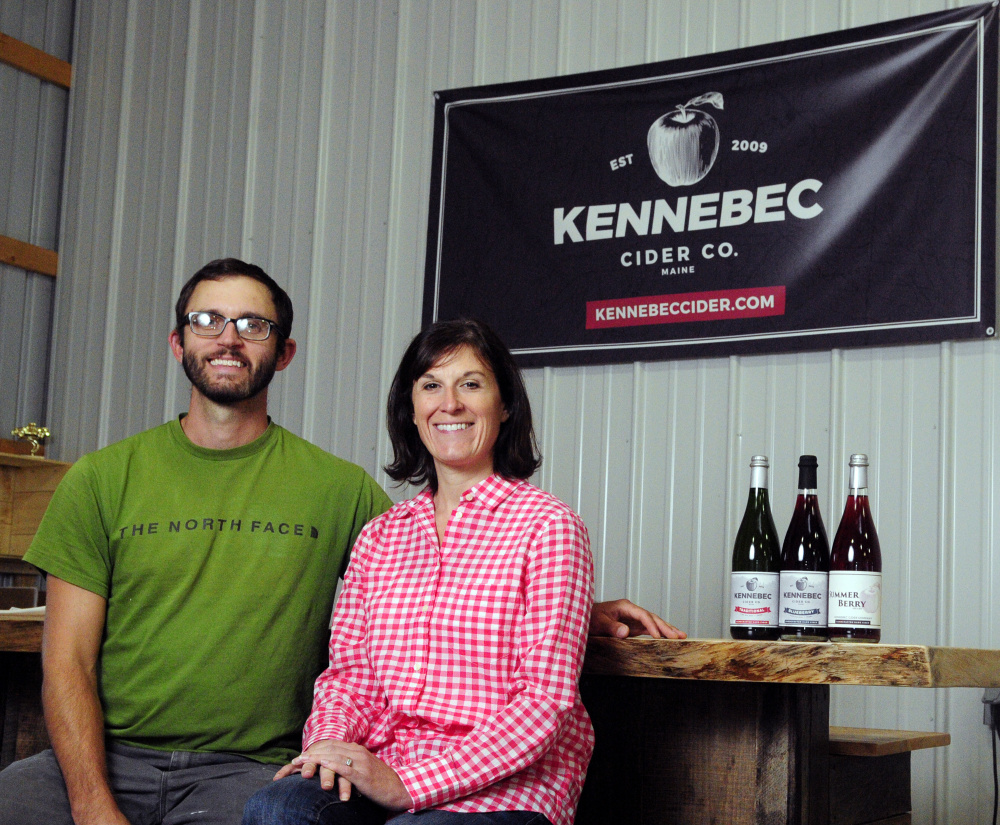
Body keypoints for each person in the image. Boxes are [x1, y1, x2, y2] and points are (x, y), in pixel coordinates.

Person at [0, 260, 682, 825]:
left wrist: (576, 612)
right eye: (208, 320)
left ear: (284, 351)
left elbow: (501, 633)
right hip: (121, 757)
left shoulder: (343, 492)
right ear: (178, 342)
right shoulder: (104, 479)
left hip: (263, 769)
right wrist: (94, 804)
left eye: (253, 324)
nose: (229, 338)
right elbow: (69, 664)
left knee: (271, 808)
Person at [242, 320, 597, 825]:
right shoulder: (380, 537)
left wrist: (409, 786)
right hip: (385, 767)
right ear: (411, 410)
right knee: (276, 808)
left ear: (505, 404)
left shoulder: (549, 527)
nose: (449, 404)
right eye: (431, 385)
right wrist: (328, 747)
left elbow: (544, 702)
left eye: (470, 384)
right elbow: (351, 679)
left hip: (504, 790)